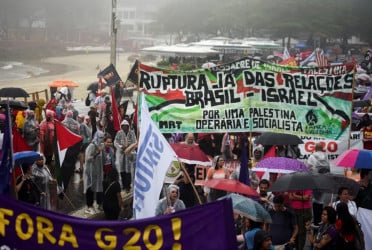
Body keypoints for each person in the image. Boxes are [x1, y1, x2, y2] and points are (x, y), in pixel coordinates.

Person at [83, 131, 105, 215]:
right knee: (90, 188)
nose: (101, 140)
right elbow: (87, 158)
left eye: (102, 138)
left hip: (98, 170)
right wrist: (96, 153)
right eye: (100, 138)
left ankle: (100, 204)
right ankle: (89, 206)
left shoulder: (101, 145)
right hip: (90, 171)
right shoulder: (91, 146)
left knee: (100, 187)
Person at [114, 119, 137, 192]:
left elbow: (135, 142)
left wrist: (129, 148)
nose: (125, 127)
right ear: (121, 126)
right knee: (122, 170)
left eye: (126, 126)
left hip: (129, 154)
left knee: (129, 170)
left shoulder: (132, 133)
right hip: (121, 154)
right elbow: (115, 142)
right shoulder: (119, 133)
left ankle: (128, 186)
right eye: (123, 126)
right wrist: (121, 147)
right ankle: (123, 185)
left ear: (128, 126)